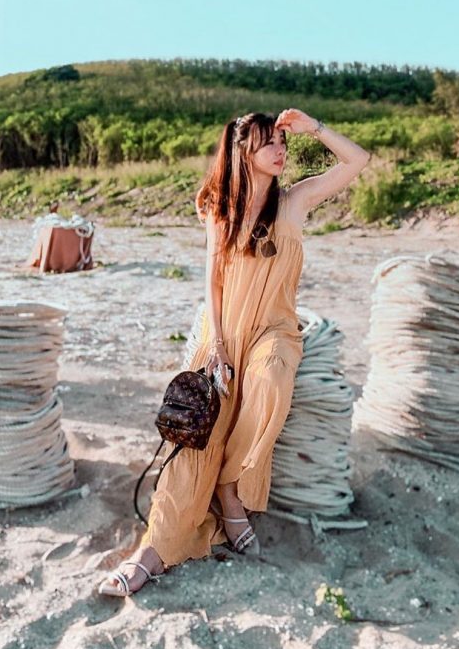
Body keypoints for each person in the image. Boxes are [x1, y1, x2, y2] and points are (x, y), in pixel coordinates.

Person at [98, 107, 371, 596]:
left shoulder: (293, 202)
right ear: (245, 151)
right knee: (199, 438)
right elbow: (212, 281)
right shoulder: (217, 208)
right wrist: (218, 349)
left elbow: (358, 161)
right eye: (270, 143)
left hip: (274, 331)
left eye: (282, 143)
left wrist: (314, 129)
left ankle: (229, 489)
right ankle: (151, 551)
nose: (280, 151)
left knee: (268, 385)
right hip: (224, 334)